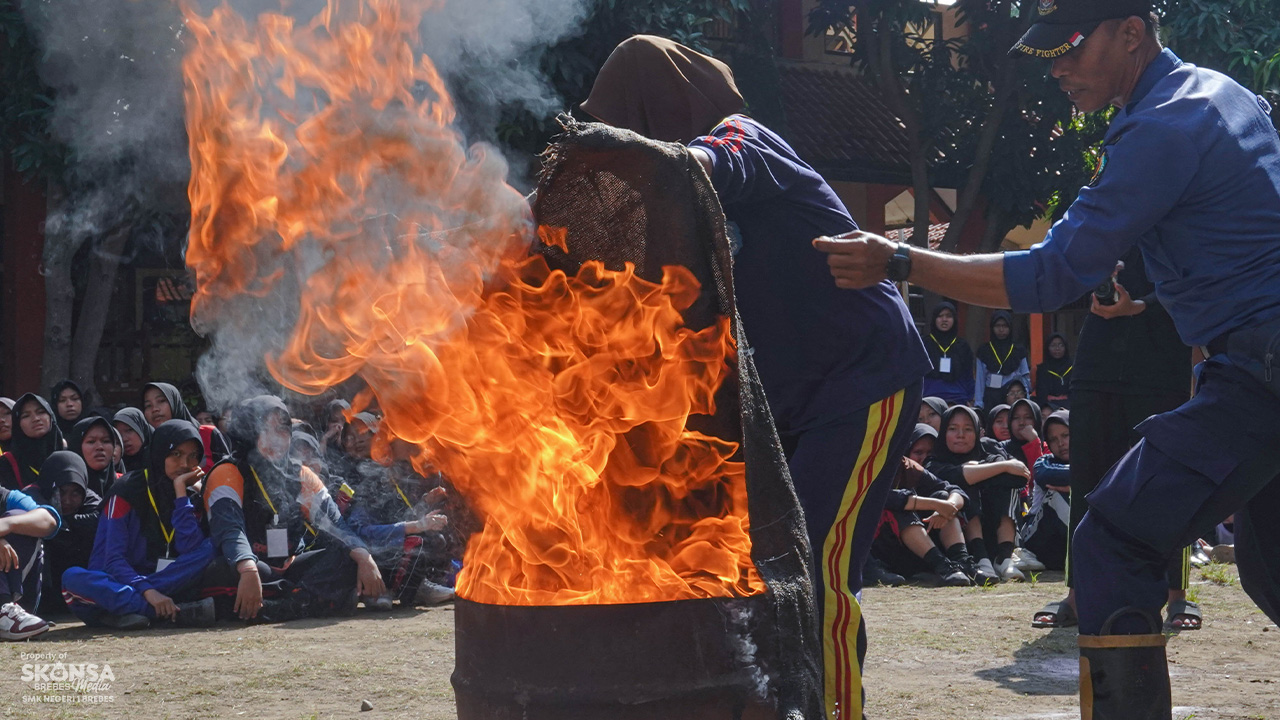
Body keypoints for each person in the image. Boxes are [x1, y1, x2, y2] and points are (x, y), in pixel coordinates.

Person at [814, 2, 1280, 714]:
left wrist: (901, 260)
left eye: (1071, 50)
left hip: (1259, 368)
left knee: (1114, 539)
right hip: (1254, 359)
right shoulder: (1224, 95)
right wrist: (1153, 288)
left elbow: (1050, 275)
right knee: (1272, 571)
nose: (1058, 69)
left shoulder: (1162, 125)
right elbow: (1241, 231)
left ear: (1131, 33)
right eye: (1051, 55)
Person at [582, 35, 931, 718]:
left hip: (862, 379)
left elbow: (713, 163)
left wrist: (652, 159)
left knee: (818, 567)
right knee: (760, 568)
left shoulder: (742, 136)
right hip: (790, 404)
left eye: (628, 123)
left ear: (661, 109)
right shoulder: (663, 212)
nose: (625, 144)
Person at [201, 396, 383, 622]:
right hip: (250, 567)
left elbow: (335, 523)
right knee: (221, 570)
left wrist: (364, 557)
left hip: (289, 567)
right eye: (266, 429)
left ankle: (280, 607)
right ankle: (305, 600)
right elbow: (229, 530)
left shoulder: (300, 474)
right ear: (248, 433)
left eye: (282, 429)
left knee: (349, 556)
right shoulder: (228, 472)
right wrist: (247, 567)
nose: (276, 439)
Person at [61, 420, 216, 629]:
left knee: (211, 547)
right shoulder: (126, 490)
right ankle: (169, 612)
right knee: (72, 579)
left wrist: (181, 495)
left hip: (164, 582)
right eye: (176, 454)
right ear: (160, 452)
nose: (184, 464)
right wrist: (148, 592)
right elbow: (113, 560)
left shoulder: (191, 495)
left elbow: (190, 550)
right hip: (120, 582)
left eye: (193, 456)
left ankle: (132, 612)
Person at [345, 438, 457, 608]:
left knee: (436, 537)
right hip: (370, 558)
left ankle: (417, 587)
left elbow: (402, 518)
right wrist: (416, 526)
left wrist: (425, 504)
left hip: (391, 554)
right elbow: (360, 531)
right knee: (420, 541)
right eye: (403, 463)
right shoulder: (371, 484)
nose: (408, 468)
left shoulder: (396, 486)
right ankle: (381, 590)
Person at [926, 406, 1026, 585]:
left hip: (994, 530)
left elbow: (1019, 477)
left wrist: (977, 471)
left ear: (978, 433)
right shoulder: (935, 462)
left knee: (1006, 488)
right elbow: (956, 477)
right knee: (962, 487)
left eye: (968, 429)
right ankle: (981, 559)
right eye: (953, 429)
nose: (960, 435)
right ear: (943, 433)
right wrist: (1003, 467)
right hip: (962, 542)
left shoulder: (987, 450)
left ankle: (1004, 558)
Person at [872, 424, 973, 586]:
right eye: (918, 453)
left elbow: (953, 489)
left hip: (919, 550)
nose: (924, 458)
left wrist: (948, 506)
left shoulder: (909, 467)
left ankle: (962, 564)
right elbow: (886, 498)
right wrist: (935, 504)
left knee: (943, 496)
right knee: (901, 509)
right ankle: (943, 566)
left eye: (929, 453)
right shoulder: (869, 469)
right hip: (884, 552)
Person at [39, 451, 102, 616]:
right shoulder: (33, 497)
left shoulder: (91, 500)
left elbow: (100, 518)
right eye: (61, 491)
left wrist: (66, 521)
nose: (67, 500)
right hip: (44, 592)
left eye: (75, 493)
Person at [0, 482, 60, 640]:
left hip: (17, 591)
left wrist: (7, 525)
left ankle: (9, 611)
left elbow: (48, 520)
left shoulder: (5, 496)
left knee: (20, 517)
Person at [1024, 412, 1072, 597]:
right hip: (1040, 541)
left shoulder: (1092, 460)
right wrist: (1088, 480)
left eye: (1066, 435)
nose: (1061, 443)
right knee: (1056, 494)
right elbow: (1050, 476)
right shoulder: (1044, 463)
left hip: (1066, 550)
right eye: (1053, 439)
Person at [141, 382, 229, 472]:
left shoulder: (207, 434)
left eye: (161, 401)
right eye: (148, 405)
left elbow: (228, 472)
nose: (154, 409)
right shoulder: (149, 447)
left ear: (175, 401)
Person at [0, 394, 66, 496]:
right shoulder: (7, 463)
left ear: (50, 415)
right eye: (26, 416)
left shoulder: (68, 453)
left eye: (41, 412)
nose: (35, 419)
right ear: (17, 423)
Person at [974, 312, 1030, 410]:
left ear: (1010, 327)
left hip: (1013, 395)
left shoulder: (1018, 350)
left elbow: (1025, 376)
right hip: (991, 396)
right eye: (997, 326)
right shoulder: (984, 350)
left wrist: (1027, 399)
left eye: (1004, 326)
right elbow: (980, 379)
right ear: (992, 327)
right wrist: (978, 403)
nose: (1001, 329)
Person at [922, 302, 974, 406]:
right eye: (940, 316)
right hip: (929, 398)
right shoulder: (924, 343)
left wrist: (970, 397)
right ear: (934, 319)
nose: (944, 320)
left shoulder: (962, 345)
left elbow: (968, 374)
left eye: (948, 316)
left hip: (957, 398)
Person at [67, 417, 124, 497]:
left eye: (106, 441)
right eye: (91, 442)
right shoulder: (66, 490)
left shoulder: (124, 485)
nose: (99, 447)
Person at [1035, 334, 1073, 410]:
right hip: (1049, 406)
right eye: (1053, 345)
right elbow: (1041, 394)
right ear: (1047, 348)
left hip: (1070, 406)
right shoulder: (1042, 369)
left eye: (1061, 345)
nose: (1057, 348)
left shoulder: (1072, 367)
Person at [113, 407, 153, 473]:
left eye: (129, 430)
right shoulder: (115, 467)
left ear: (141, 428)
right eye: (119, 434)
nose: (124, 439)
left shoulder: (159, 458)